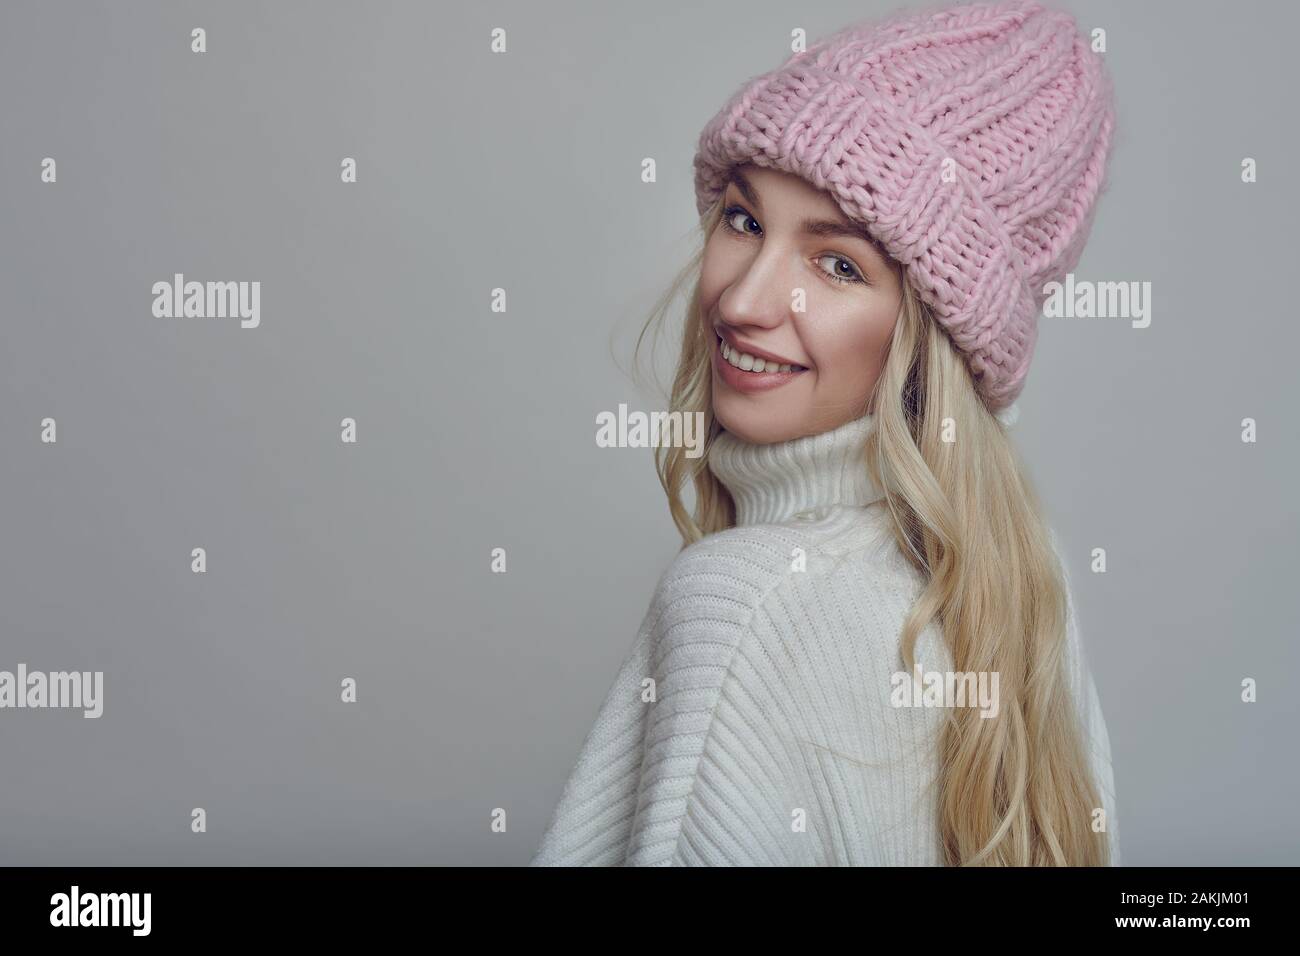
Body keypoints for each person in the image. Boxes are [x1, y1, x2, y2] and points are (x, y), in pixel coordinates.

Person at [533, 0, 1119, 866]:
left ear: (935, 332)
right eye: (744, 221)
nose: (742, 300)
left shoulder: (739, 613)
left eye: (837, 263)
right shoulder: (1025, 584)